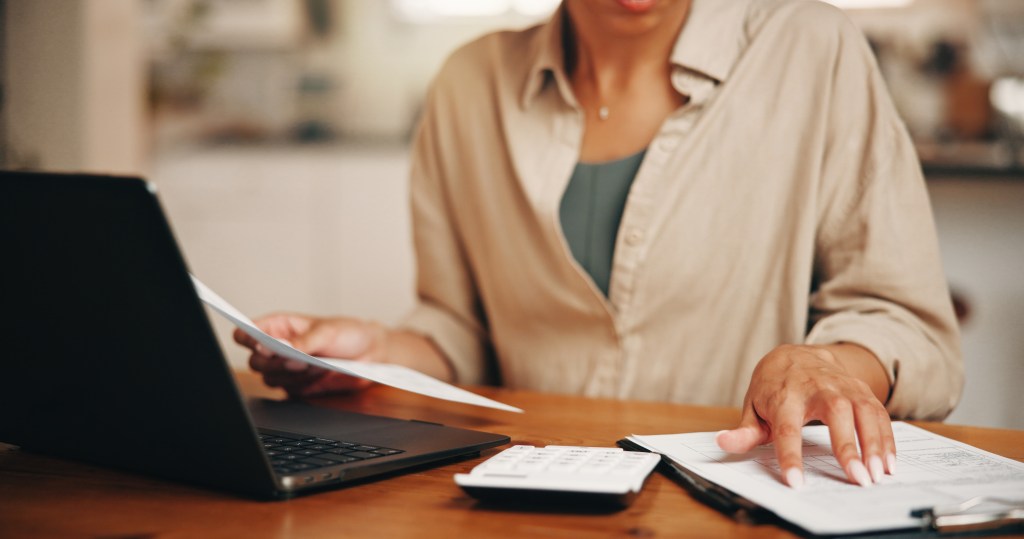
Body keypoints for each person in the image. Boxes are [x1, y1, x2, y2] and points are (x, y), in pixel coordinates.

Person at [236, 0, 963, 490]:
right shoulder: (469, 86)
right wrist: (373, 351)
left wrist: (825, 363)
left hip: (743, 505)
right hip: (532, 503)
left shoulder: (811, 50)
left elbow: (910, 326)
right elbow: (463, 331)